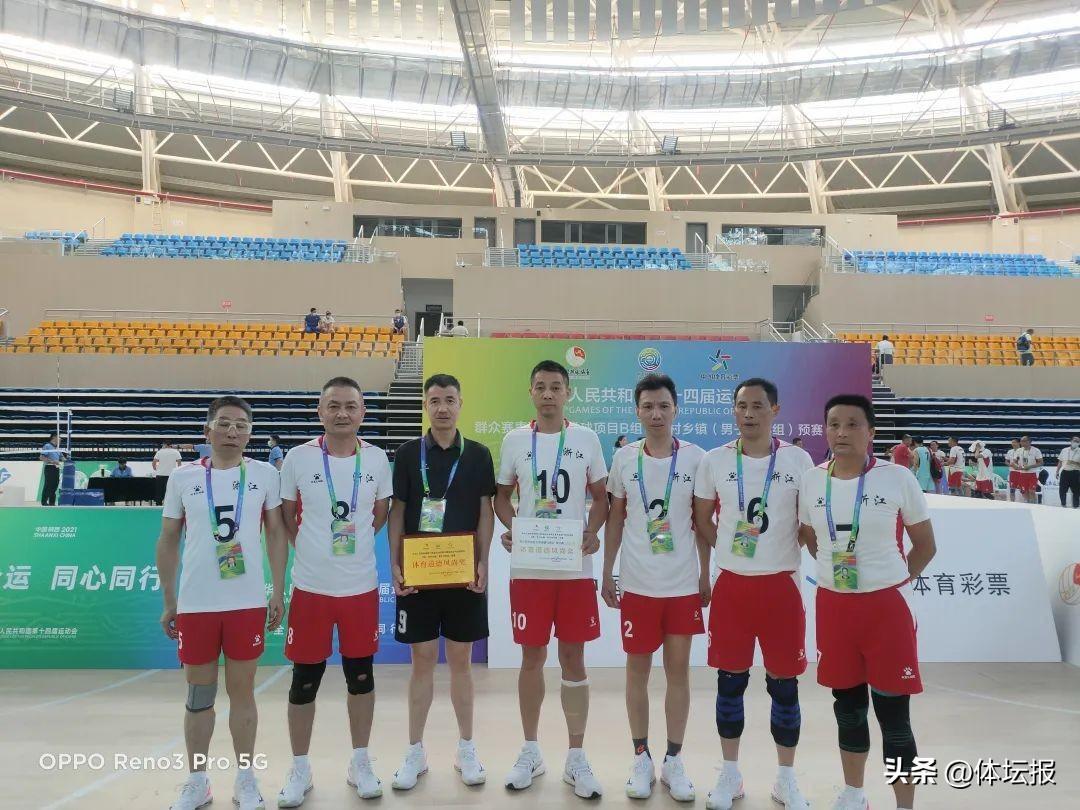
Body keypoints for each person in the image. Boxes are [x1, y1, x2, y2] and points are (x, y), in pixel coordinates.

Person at [798, 394, 936, 810]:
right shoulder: (811, 480)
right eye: (834, 424)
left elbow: (925, 546)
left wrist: (890, 580)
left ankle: (905, 805)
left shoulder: (897, 478)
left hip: (886, 609)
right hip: (834, 607)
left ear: (871, 432)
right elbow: (810, 538)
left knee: (894, 716)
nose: (841, 432)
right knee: (848, 708)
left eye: (852, 424)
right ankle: (854, 794)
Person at [156, 396, 288, 810]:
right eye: (225, 423)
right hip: (197, 605)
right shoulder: (182, 477)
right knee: (200, 696)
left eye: (241, 425)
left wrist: (278, 589)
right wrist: (170, 599)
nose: (233, 431)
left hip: (246, 603)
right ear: (207, 431)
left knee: (243, 692)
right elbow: (168, 539)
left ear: (250, 433)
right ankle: (198, 781)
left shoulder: (265, 474)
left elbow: (276, 534)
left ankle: (246, 779)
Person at [692, 378, 815, 810]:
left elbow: (807, 523)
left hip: (781, 586)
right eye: (742, 405)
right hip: (733, 587)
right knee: (730, 684)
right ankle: (730, 774)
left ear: (775, 410)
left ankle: (786, 779)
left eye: (758, 405)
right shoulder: (714, 460)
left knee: (784, 687)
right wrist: (728, 551)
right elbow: (702, 519)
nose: (748, 413)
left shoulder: (799, 460)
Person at [276, 377, 394, 806]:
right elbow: (288, 517)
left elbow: (379, 515)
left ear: (363, 412)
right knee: (303, 682)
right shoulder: (297, 458)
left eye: (350, 406)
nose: (342, 413)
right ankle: (300, 768)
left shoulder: (377, 458)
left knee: (361, 678)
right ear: (320, 411)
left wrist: (350, 549)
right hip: (311, 588)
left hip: (360, 587)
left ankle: (360, 761)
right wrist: (313, 551)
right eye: (334, 406)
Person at [494, 360, 609, 799]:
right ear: (531, 392)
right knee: (531, 658)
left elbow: (601, 498)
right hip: (529, 570)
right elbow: (501, 497)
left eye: (555, 387)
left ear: (567, 393)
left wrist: (592, 532)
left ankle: (576, 756)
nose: (548, 394)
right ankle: (531, 750)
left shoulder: (586, 439)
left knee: (574, 659)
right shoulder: (514, 440)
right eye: (540, 386)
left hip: (572, 569)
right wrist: (513, 529)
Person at [387, 373, 496, 789]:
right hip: (420, 576)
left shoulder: (479, 454)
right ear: (425, 406)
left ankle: (466, 747)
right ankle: (415, 750)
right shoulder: (406, 453)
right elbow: (398, 512)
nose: (443, 407)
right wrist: (395, 563)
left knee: (462, 661)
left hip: (463, 576)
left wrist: (484, 560)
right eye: (435, 400)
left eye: (450, 399)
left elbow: (485, 511)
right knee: (422, 661)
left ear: (460, 403)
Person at [602, 374, 707, 802]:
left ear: (675, 408)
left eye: (663, 405)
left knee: (678, 672)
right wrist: (607, 572)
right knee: (637, 673)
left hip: (681, 585)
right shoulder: (625, 459)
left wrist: (705, 574)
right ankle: (641, 757)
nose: (656, 414)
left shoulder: (696, 459)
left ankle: (674, 760)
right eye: (648, 406)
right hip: (638, 584)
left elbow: (702, 522)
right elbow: (615, 518)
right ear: (637, 411)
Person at [1015, 436, 1043, 505]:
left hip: (1033, 473)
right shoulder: (1019, 450)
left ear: (1029, 442)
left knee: (1032, 491)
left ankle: (1034, 505)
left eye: (1024, 441)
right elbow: (1014, 461)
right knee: (1024, 491)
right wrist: (1017, 466)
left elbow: (1041, 462)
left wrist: (1030, 466)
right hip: (1022, 473)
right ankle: (1028, 504)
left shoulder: (1036, 450)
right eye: (1021, 441)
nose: (1022, 443)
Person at [38, 433, 65, 506]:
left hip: (56, 468)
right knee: (48, 485)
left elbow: (62, 457)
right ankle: (44, 502)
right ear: (54, 437)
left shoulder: (58, 448)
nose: (60, 439)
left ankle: (52, 502)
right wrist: (53, 461)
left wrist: (68, 461)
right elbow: (41, 457)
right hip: (49, 468)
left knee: (55, 485)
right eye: (59, 438)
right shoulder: (47, 446)